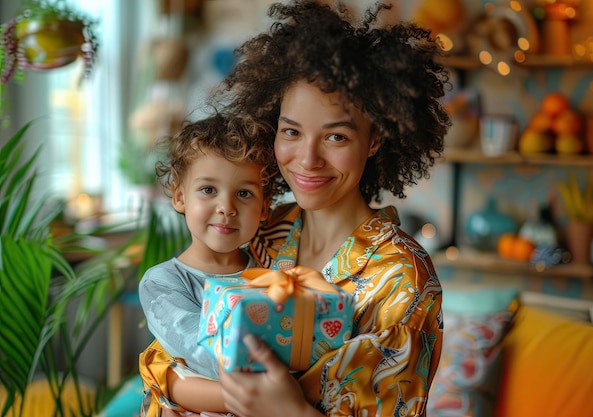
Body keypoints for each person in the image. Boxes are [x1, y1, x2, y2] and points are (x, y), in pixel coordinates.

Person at [143, 1, 450, 416]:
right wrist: (177, 382)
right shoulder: (262, 229)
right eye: (291, 131)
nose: (307, 159)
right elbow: (174, 346)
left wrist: (293, 411)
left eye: (336, 137)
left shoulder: (402, 280)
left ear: (374, 139)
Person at [137, 113, 279, 416]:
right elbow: (200, 349)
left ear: (264, 207)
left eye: (244, 193)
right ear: (179, 196)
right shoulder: (162, 283)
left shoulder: (274, 276)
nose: (226, 208)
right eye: (208, 190)